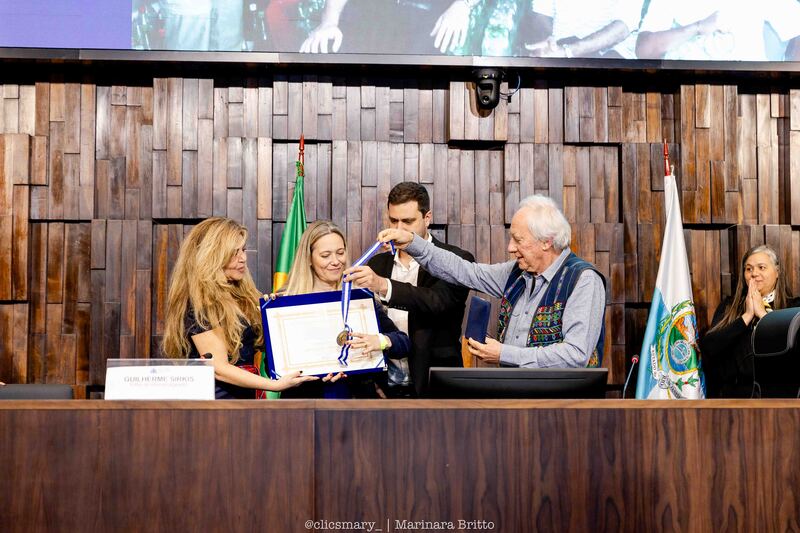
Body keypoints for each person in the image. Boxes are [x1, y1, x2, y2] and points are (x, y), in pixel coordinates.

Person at [377, 194, 606, 368]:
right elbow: (465, 271)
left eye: (518, 240)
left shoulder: (583, 280)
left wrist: (504, 353)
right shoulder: (516, 272)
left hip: (562, 411)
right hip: (514, 401)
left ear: (546, 241)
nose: (510, 248)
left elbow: (576, 355)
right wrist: (413, 242)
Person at [342, 183, 473, 398]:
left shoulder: (456, 260)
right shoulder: (377, 264)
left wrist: (384, 286)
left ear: (427, 218)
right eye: (394, 220)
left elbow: (437, 302)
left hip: (435, 388)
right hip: (384, 389)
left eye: (408, 221)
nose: (399, 229)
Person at [163, 217, 317, 399]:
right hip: (216, 402)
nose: (243, 258)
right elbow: (219, 368)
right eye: (234, 252)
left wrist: (271, 317)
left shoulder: (242, 295)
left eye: (243, 250)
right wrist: (274, 385)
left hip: (244, 397)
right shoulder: (199, 303)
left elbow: (263, 345)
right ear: (212, 255)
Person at [278, 220, 411, 398]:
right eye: (325, 255)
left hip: (357, 403)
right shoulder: (288, 301)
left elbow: (403, 343)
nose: (335, 261)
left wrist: (379, 341)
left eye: (340, 253)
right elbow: (275, 362)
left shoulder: (359, 297)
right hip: (305, 404)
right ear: (309, 259)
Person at [700, 245, 799, 398]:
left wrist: (763, 315)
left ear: (777, 272)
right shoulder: (728, 306)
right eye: (749, 269)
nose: (754, 274)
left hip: (781, 399)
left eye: (761, 267)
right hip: (734, 399)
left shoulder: (794, 308)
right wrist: (746, 317)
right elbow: (709, 349)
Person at [636, 0, 800, 61]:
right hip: (688, 94)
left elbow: (796, 28)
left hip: (749, 96)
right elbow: (643, 50)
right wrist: (697, 27)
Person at [524, 0, 642, 59]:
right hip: (561, 49)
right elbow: (542, 13)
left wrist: (569, 51)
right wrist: (549, 44)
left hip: (609, 53)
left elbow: (623, 27)